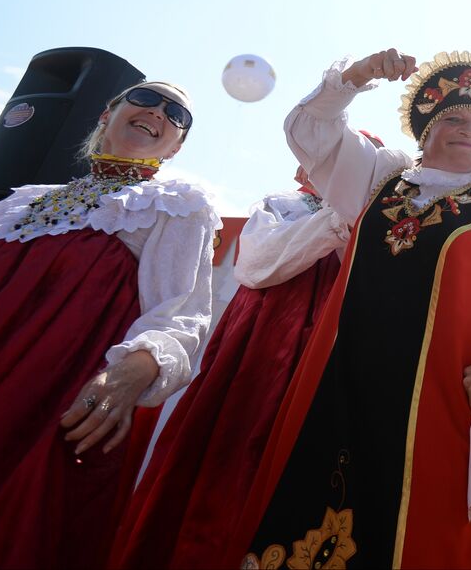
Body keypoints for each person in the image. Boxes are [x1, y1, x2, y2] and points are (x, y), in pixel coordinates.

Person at [236, 50, 471, 569]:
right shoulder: (376, 183)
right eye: (455, 119)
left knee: (422, 537)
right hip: (337, 391)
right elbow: (311, 135)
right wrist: (353, 79)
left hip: (438, 402)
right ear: (425, 131)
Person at [0, 81, 217, 569]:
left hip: (45, 394)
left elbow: (180, 313)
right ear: (108, 112)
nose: (159, 111)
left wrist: (137, 367)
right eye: (146, 98)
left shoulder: (176, 205)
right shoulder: (23, 201)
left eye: (176, 114)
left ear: (176, 146)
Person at [111, 142, 380, 569]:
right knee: (231, 449)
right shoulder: (281, 207)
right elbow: (256, 264)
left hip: (332, 353)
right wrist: (337, 218)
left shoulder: (377, 225)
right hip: (263, 346)